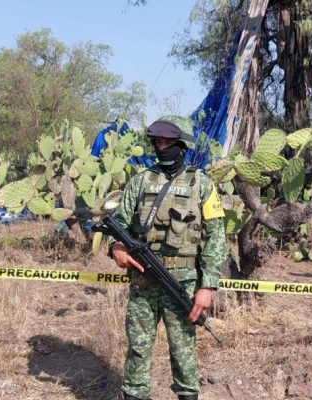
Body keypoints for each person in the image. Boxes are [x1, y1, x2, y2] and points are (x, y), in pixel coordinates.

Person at [108, 115, 227, 400]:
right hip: (143, 282)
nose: (161, 147)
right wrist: (116, 248)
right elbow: (119, 223)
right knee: (138, 349)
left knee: (183, 355)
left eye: (168, 142)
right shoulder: (140, 182)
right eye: (157, 142)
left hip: (183, 284)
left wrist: (207, 286)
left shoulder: (202, 185)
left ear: (182, 144)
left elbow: (216, 237)